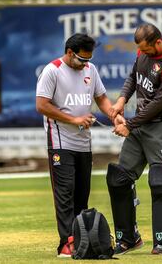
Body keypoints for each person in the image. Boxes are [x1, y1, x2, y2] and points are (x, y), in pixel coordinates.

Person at [107, 23, 162, 255]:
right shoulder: (143, 52)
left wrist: (129, 125)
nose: (143, 54)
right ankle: (128, 238)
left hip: (161, 129)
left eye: (147, 50)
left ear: (158, 42)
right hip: (139, 126)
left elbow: (159, 104)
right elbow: (133, 77)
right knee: (119, 179)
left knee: (161, 181)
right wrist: (121, 99)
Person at [36, 33, 114, 258]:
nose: (85, 64)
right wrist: (74, 120)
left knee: (82, 194)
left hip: (84, 144)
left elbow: (101, 98)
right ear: (70, 53)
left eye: (88, 60)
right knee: (65, 195)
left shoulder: (91, 70)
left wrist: (114, 115)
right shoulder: (52, 70)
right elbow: (42, 105)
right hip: (60, 143)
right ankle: (65, 244)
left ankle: (81, 240)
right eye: (82, 60)